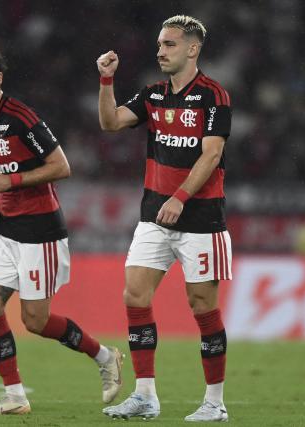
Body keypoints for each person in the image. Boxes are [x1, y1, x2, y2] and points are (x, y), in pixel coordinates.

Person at [0, 45, 123, 415]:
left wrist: (10, 182)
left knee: (36, 321)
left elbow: (61, 166)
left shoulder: (20, 117)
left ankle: (105, 355)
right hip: (4, 231)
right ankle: (14, 395)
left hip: (40, 233)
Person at [96, 15, 231, 422]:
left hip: (201, 219)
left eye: (170, 44)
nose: (161, 51)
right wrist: (106, 81)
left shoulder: (213, 95)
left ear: (192, 49)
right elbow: (111, 123)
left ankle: (214, 402)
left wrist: (181, 196)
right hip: (154, 216)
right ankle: (145, 395)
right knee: (134, 295)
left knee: (202, 306)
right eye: (159, 44)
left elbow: (211, 154)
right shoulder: (153, 95)